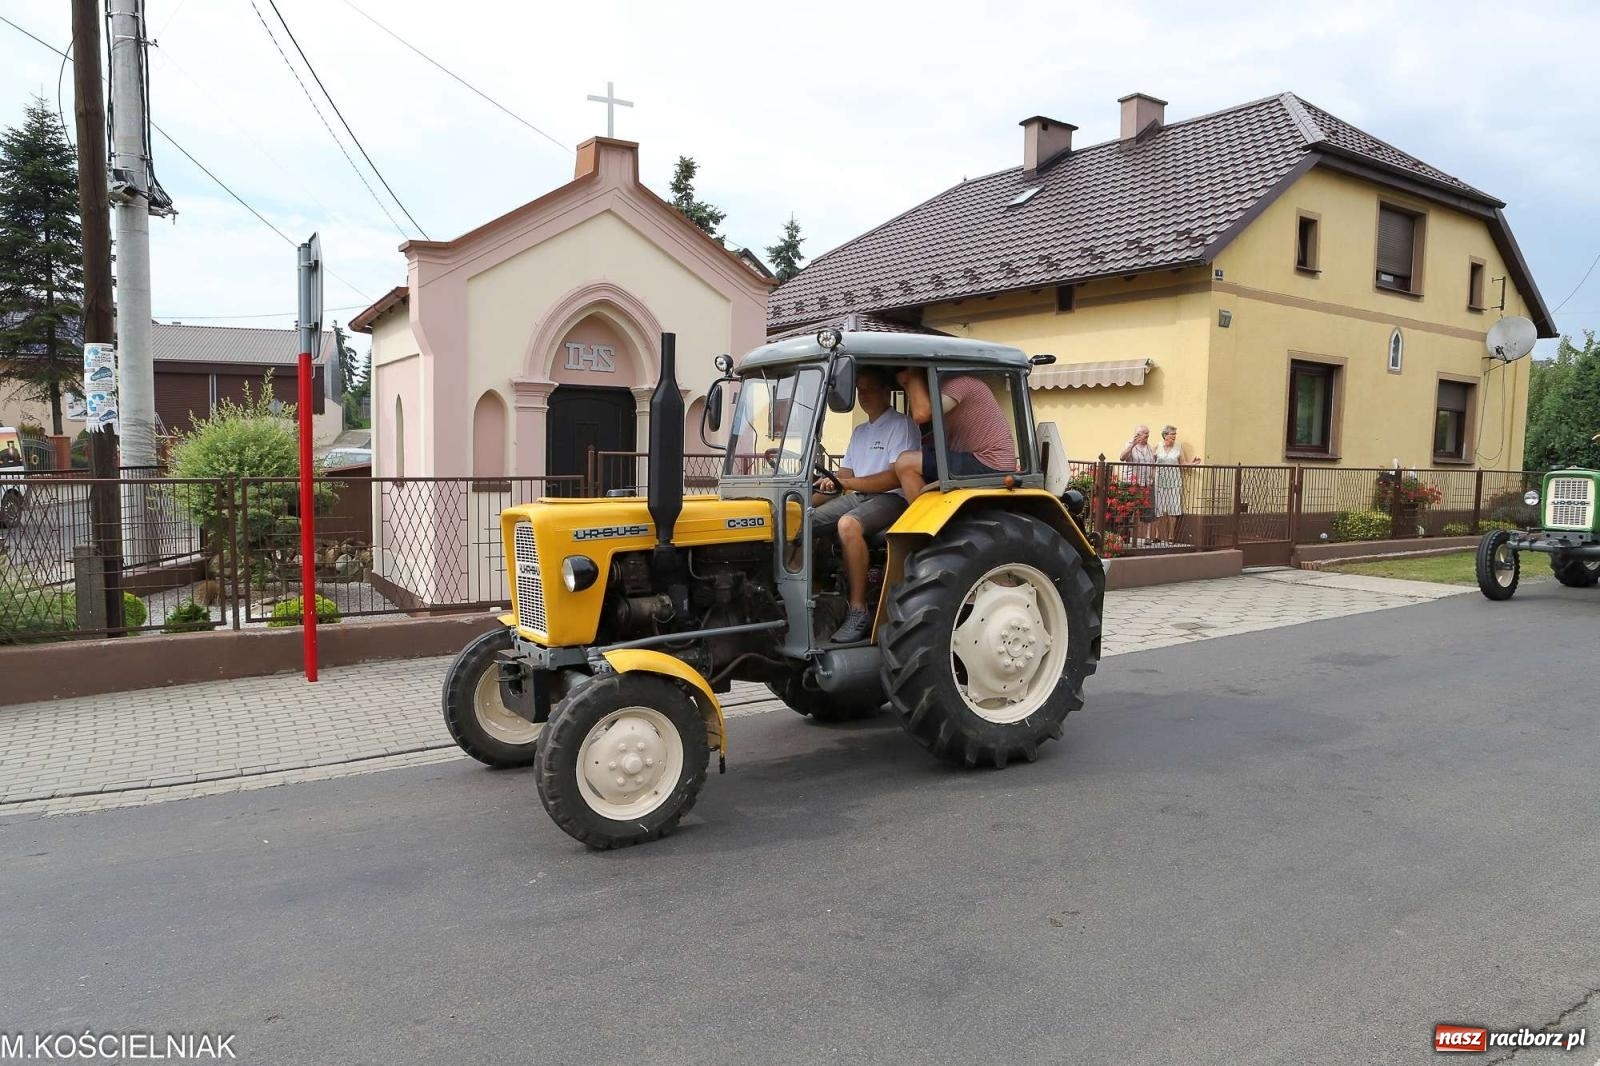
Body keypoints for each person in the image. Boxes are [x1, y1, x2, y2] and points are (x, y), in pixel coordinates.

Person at [812, 366, 920, 643]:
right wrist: (810, 493)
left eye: (869, 389)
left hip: (892, 498)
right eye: (859, 390)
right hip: (859, 495)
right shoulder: (860, 431)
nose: (863, 396)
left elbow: (893, 477)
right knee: (801, 517)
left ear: (886, 392)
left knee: (848, 525)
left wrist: (847, 484)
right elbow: (846, 475)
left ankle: (858, 609)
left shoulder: (901, 425)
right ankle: (812, 594)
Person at [891, 369, 1017, 500]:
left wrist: (912, 376)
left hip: (991, 463)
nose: (910, 391)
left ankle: (928, 519)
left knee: (906, 463)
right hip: (976, 459)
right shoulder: (944, 391)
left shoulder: (958, 384)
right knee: (914, 456)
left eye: (908, 384)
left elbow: (921, 414)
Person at [1151, 424, 1201, 544]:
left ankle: (1171, 536)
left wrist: (1192, 464)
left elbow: (1183, 463)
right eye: (1172, 434)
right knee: (1159, 509)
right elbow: (1150, 462)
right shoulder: (1157, 446)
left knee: (1173, 509)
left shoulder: (1178, 447)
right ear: (1165, 435)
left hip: (1174, 482)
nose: (1174, 437)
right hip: (1160, 481)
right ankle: (1157, 535)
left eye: (1175, 435)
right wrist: (1151, 476)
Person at [1120, 424, 1157, 545]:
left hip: (1146, 483)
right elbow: (1122, 457)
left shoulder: (1149, 447)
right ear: (1137, 435)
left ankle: (1147, 537)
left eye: (1148, 433)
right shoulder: (1130, 445)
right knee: (1129, 511)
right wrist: (1132, 445)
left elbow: (1152, 463)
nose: (1147, 435)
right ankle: (1125, 535)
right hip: (1132, 483)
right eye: (1145, 433)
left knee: (1148, 510)